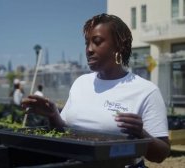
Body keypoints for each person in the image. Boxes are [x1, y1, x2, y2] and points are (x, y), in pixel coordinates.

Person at [22, 13, 170, 166]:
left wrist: (141, 135)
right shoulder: (81, 83)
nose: (89, 49)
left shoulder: (146, 90)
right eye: (87, 43)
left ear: (119, 45)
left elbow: (161, 154)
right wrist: (53, 115)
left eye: (97, 42)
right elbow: (65, 132)